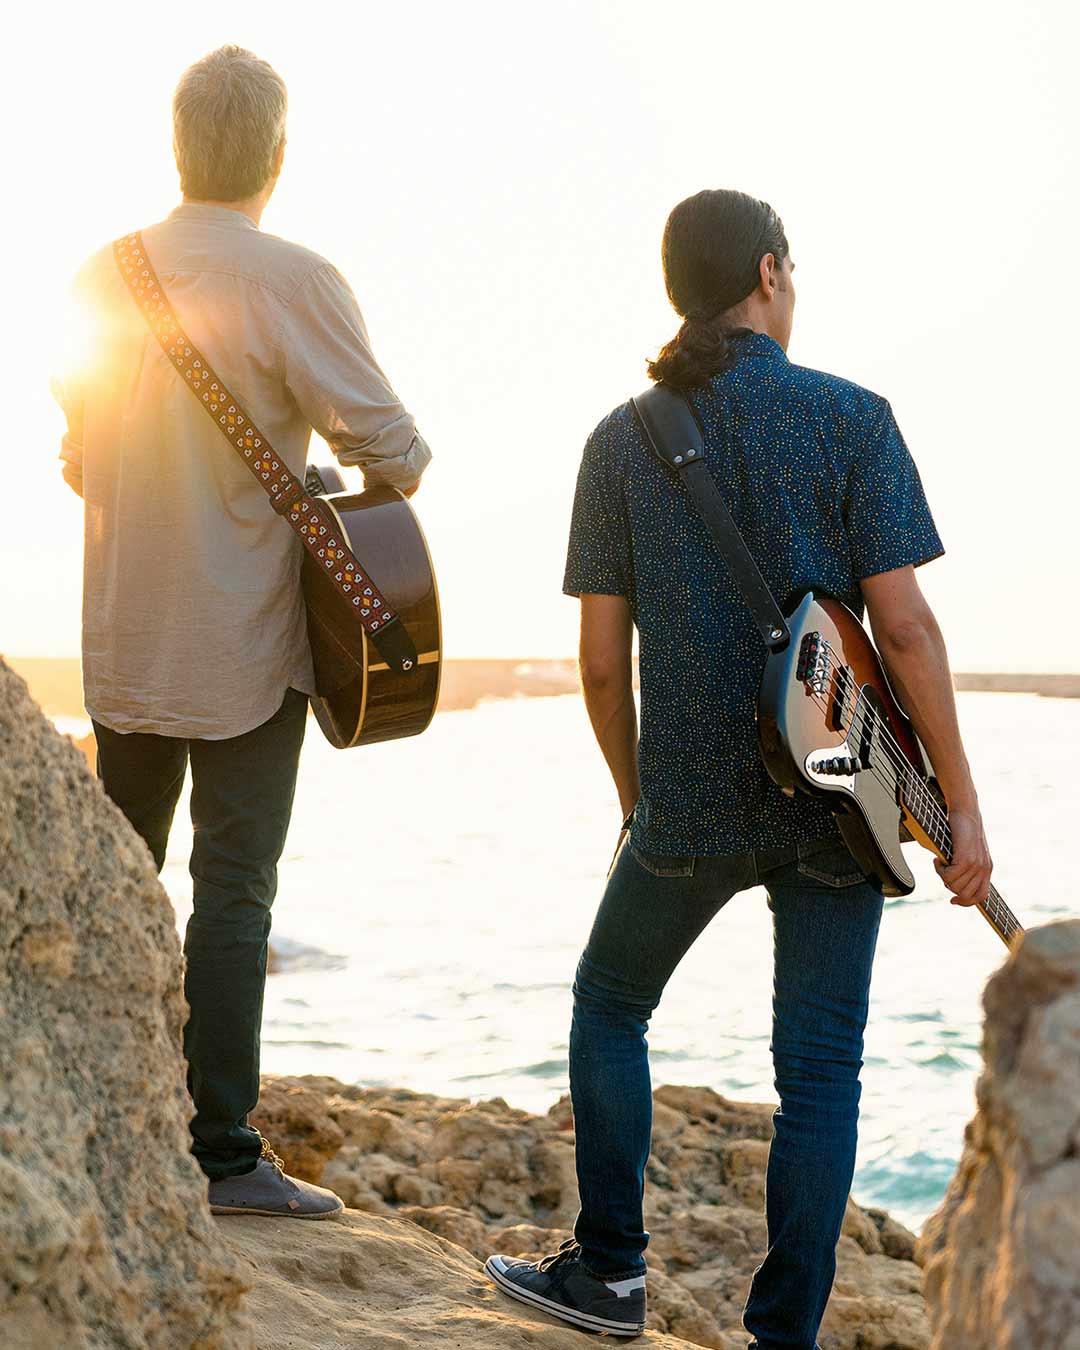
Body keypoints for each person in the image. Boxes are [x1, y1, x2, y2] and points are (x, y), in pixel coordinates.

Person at [485, 189, 992, 1344]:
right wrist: (960, 810)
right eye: (794, 271)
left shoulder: (622, 439)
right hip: (839, 805)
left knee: (611, 1003)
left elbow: (603, 665)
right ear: (769, 273)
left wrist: (634, 801)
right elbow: (906, 634)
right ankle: (783, 1338)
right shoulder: (853, 418)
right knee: (820, 1071)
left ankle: (610, 1275)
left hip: (692, 799)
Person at [53, 45, 430, 1219]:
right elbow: (399, 455)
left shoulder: (98, 276)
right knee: (234, 895)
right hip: (249, 651)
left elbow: (80, 452)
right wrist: (303, 469)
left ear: (177, 148)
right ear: (274, 156)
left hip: (122, 642)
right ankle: (221, 1155)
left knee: (111, 887)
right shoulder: (295, 279)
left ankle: (75, 1114)